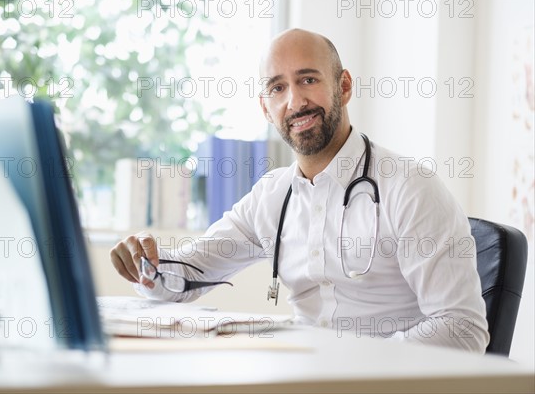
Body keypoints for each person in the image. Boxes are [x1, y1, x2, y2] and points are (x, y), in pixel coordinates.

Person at [110, 28, 489, 352]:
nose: (295, 101)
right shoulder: (272, 197)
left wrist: (357, 366)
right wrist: (146, 262)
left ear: (343, 87)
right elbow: (187, 274)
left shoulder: (410, 188)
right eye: (278, 88)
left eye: (308, 79)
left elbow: (463, 329)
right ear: (265, 107)